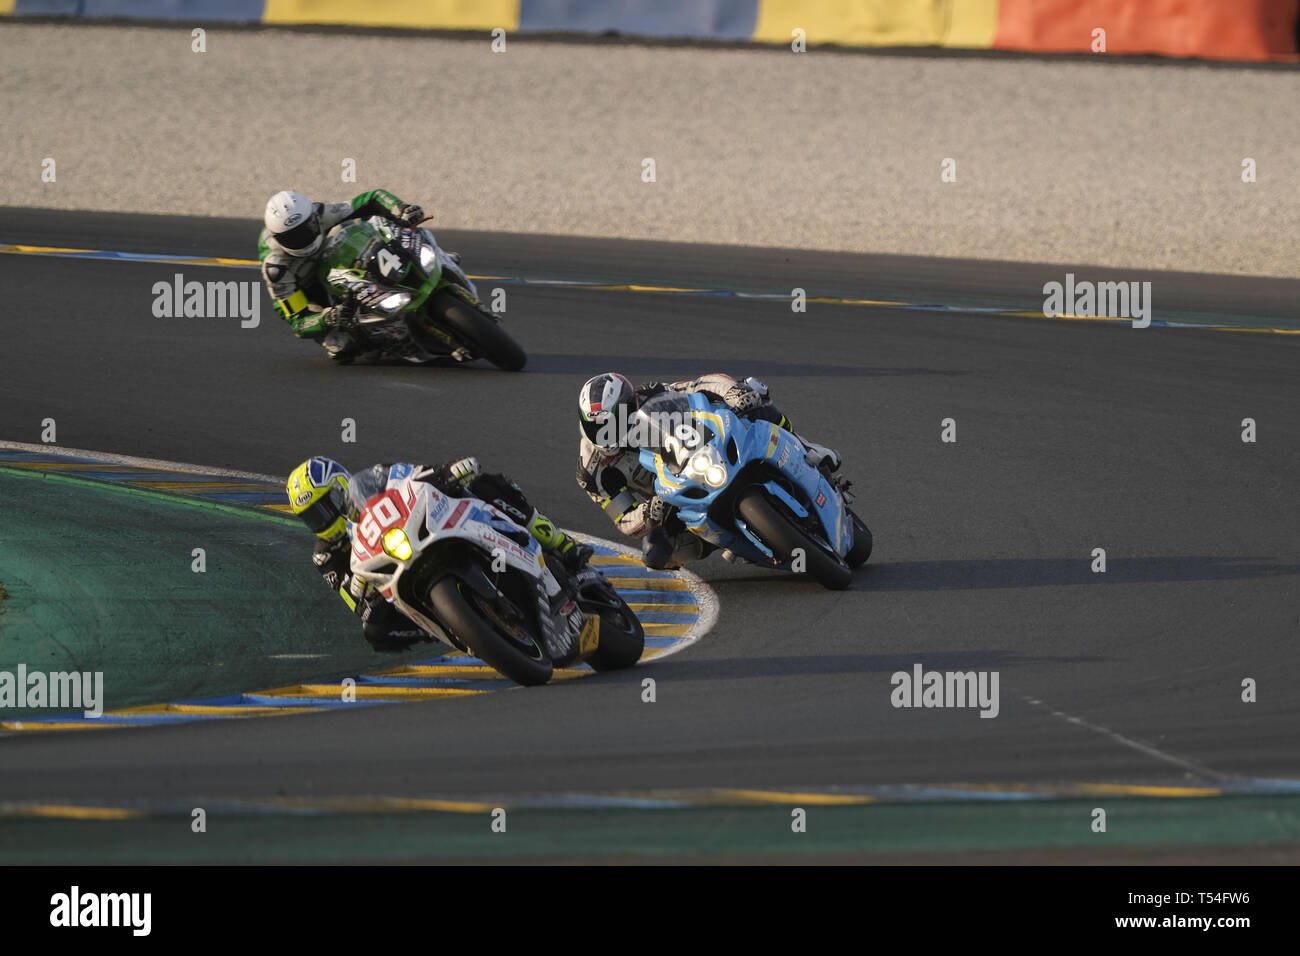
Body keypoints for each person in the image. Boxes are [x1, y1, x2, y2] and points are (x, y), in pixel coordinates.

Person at [286, 455, 592, 652]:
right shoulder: (325, 555)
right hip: (395, 581)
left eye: (326, 506)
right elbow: (355, 603)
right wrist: (358, 591)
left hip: (426, 531)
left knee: (486, 485)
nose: (324, 520)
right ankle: (448, 625)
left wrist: (446, 472)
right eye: (314, 516)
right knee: (375, 631)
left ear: (341, 486)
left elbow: (412, 477)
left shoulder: (374, 479)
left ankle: (561, 545)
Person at [575, 372, 840, 570]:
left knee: (754, 392)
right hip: (674, 500)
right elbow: (622, 518)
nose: (611, 431)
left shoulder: (652, 394)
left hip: (707, 453)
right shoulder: (592, 470)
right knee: (657, 557)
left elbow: (702, 384)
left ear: (631, 403)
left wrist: (734, 392)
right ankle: (723, 541)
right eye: (599, 426)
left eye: (618, 418)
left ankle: (806, 447)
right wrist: (648, 512)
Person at [259, 188, 432, 362]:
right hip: (305, 286)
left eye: (306, 230)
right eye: (291, 238)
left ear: (313, 218)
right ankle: (380, 338)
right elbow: (298, 322)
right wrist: (328, 317)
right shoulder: (277, 269)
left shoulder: (321, 214)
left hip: (332, 254)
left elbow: (371, 199)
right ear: (277, 238)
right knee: (341, 346)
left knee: (370, 228)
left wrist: (400, 209)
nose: (302, 240)